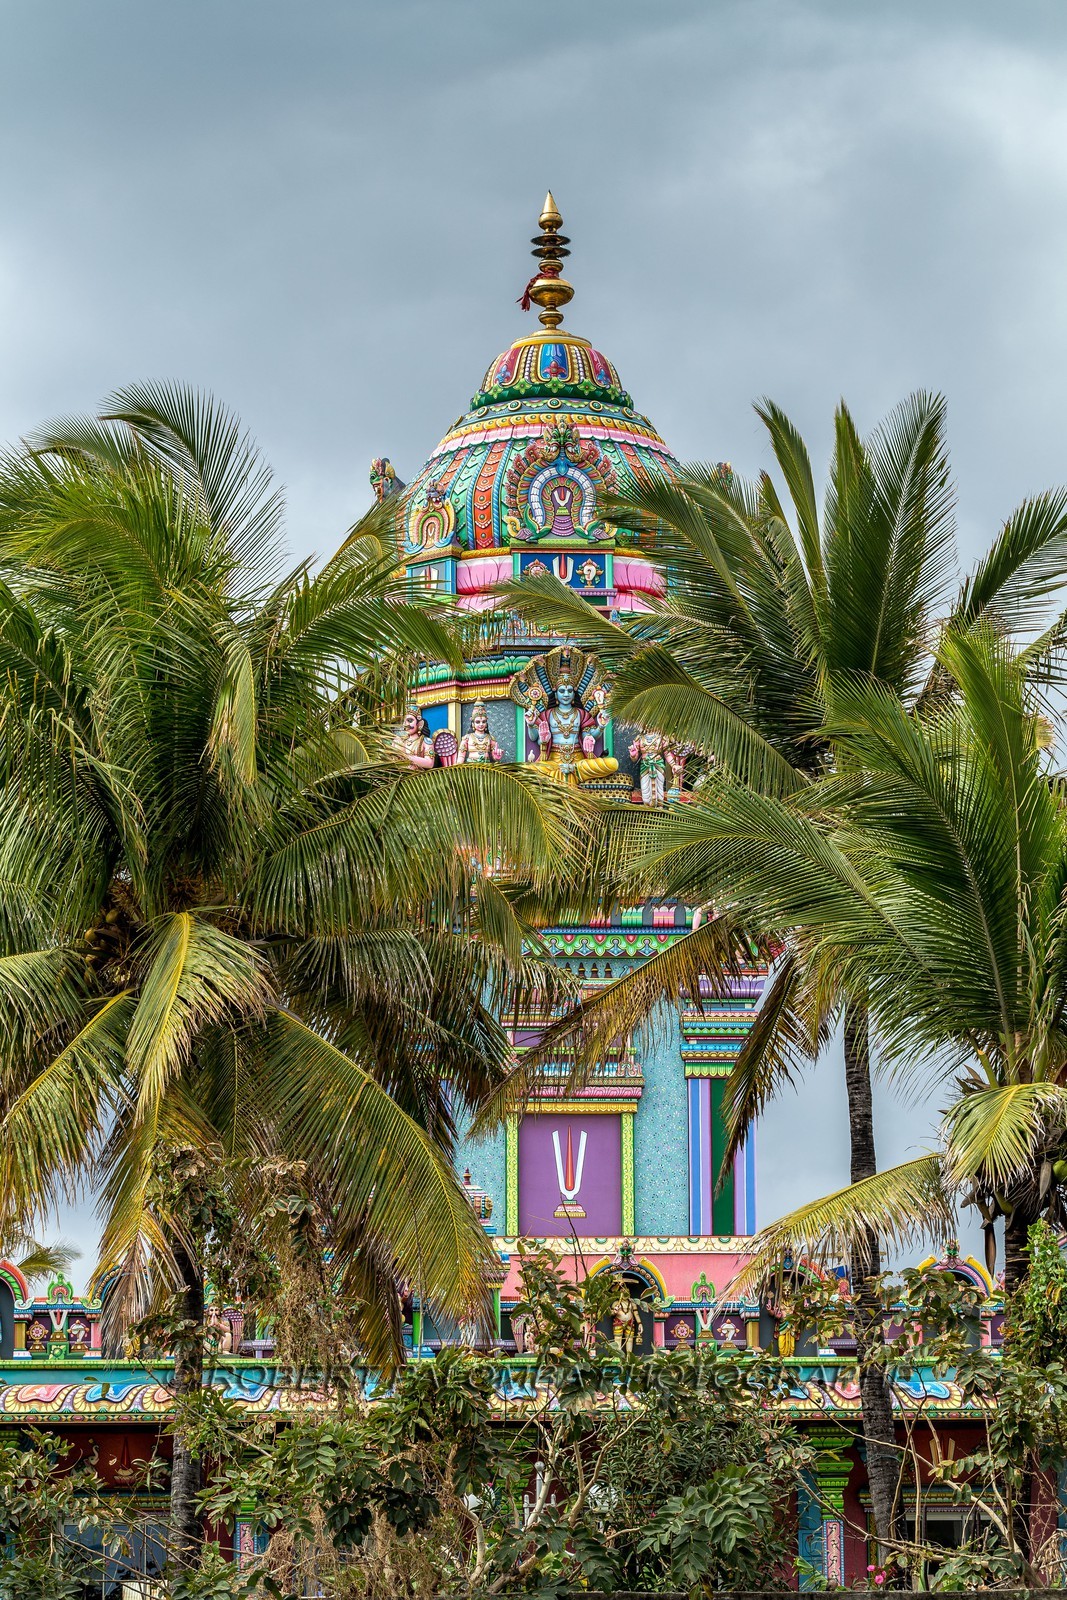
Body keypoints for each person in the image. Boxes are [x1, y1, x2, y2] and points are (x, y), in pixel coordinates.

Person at [526, 671, 618, 785]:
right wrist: (530, 724)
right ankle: (568, 774)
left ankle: (570, 771)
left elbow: (587, 737)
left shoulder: (581, 714)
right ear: (555, 694)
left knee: (613, 763)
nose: (566, 694)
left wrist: (601, 726)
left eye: (569, 691)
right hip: (554, 761)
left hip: (578, 760)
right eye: (562, 691)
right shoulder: (548, 714)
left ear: (574, 694)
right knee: (528, 769)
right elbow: (534, 737)